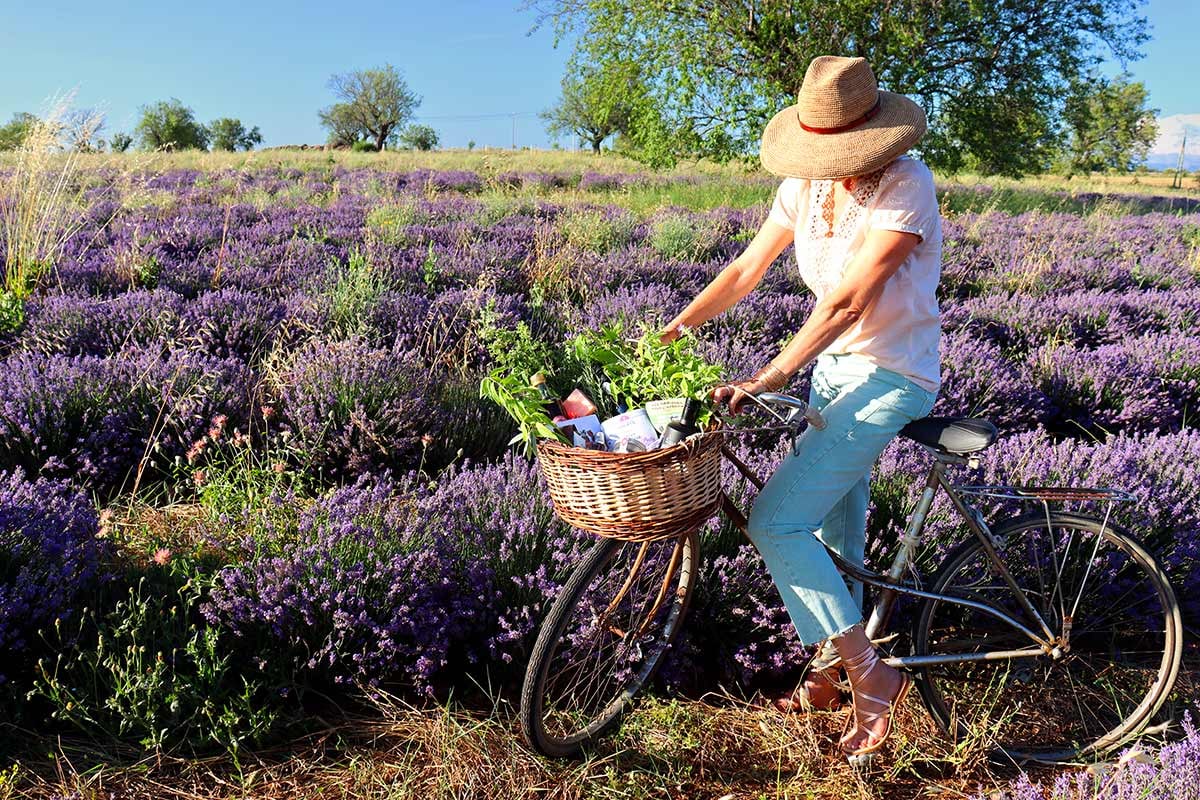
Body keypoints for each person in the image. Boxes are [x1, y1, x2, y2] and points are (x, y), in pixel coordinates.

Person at [659, 55, 941, 759]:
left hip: (891, 374)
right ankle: (827, 673)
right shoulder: (804, 187)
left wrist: (772, 372)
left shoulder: (907, 184)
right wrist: (673, 331)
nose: (832, 164)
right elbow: (744, 269)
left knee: (776, 522)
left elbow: (849, 298)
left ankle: (873, 680)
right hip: (837, 373)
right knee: (835, 543)